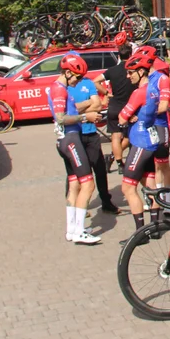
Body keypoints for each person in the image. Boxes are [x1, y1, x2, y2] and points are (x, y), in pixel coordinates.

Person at [49, 53, 102, 245]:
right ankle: (79, 231)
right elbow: (60, 117)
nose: (78, 82)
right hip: (71, 140)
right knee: (88, 184)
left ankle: (72, 229)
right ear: (67, 72)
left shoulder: (61, 88)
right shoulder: (59, 90)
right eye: (77, 77)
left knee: (74, 184)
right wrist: (85, 118)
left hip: (66, 139)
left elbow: (69, 112)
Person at [117, 47, 166, 239]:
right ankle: (155, 227)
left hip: (140, 142)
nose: (128, 76)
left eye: (130, 73)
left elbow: (122, 118)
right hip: (151, 140)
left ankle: (141, 233)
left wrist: (129, 118)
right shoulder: (153, 90)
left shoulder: (139, 92)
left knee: (128, 188)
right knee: (150, 185)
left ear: (141, 71)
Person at [66, 54, 123, 216]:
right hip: (73, 134)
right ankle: (76, 205)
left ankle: (106, 201)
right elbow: (66, 112)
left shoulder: (88, 83)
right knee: (74, 173)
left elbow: (98, 105)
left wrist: (80, 108)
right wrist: (87, 106)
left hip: (90, 134)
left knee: (99, 169)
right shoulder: (64, 86)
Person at [103, 34, 135, 174]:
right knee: (128, 137)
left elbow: (95, 81)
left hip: (114, 106)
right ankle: (112, 157)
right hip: (128, 107)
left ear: (119, 56)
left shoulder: (112, 70)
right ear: (131, 54)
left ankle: (118, 162)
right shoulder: (133, 70)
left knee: (115, 136)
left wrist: (106, 92)